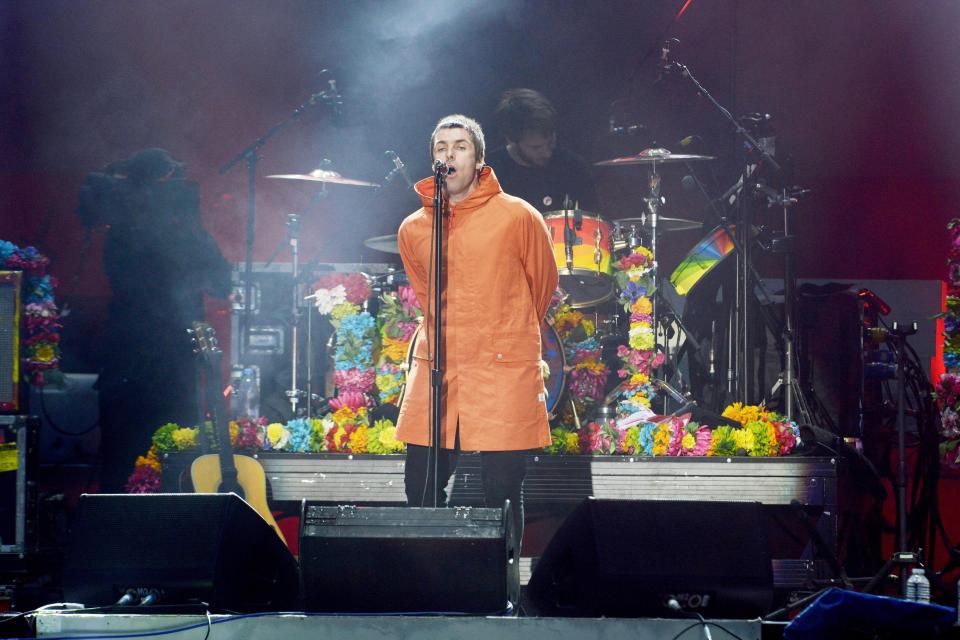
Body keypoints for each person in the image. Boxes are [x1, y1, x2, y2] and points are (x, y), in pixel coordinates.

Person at [395, 115, 559, 549]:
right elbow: (425, 292)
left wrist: (507, 329)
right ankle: (435, 581)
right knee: (421, 489)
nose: (449, 154)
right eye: (441, 147)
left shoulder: (517, 216)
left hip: (502, 367)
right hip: (439, 367)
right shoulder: (414, 228)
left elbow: (541, 284)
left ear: (480, 158)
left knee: (502, 492)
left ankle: (500, 591)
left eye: (460, 146)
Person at [76, 148, 232, 492]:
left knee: (120, 456)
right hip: (172, 363)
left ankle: (116, 532)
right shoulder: (183, 234)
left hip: (124, 360)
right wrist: (193, 224)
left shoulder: (117, 230)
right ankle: (173, 528)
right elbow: (221, 283)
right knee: (176, 455)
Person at [485, 88, 599, 212]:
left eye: (550, 143)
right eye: (536, 147)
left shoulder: (573, 166)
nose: (547, 153)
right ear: (511, 140)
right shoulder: (488, 173)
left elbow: (595, 220)